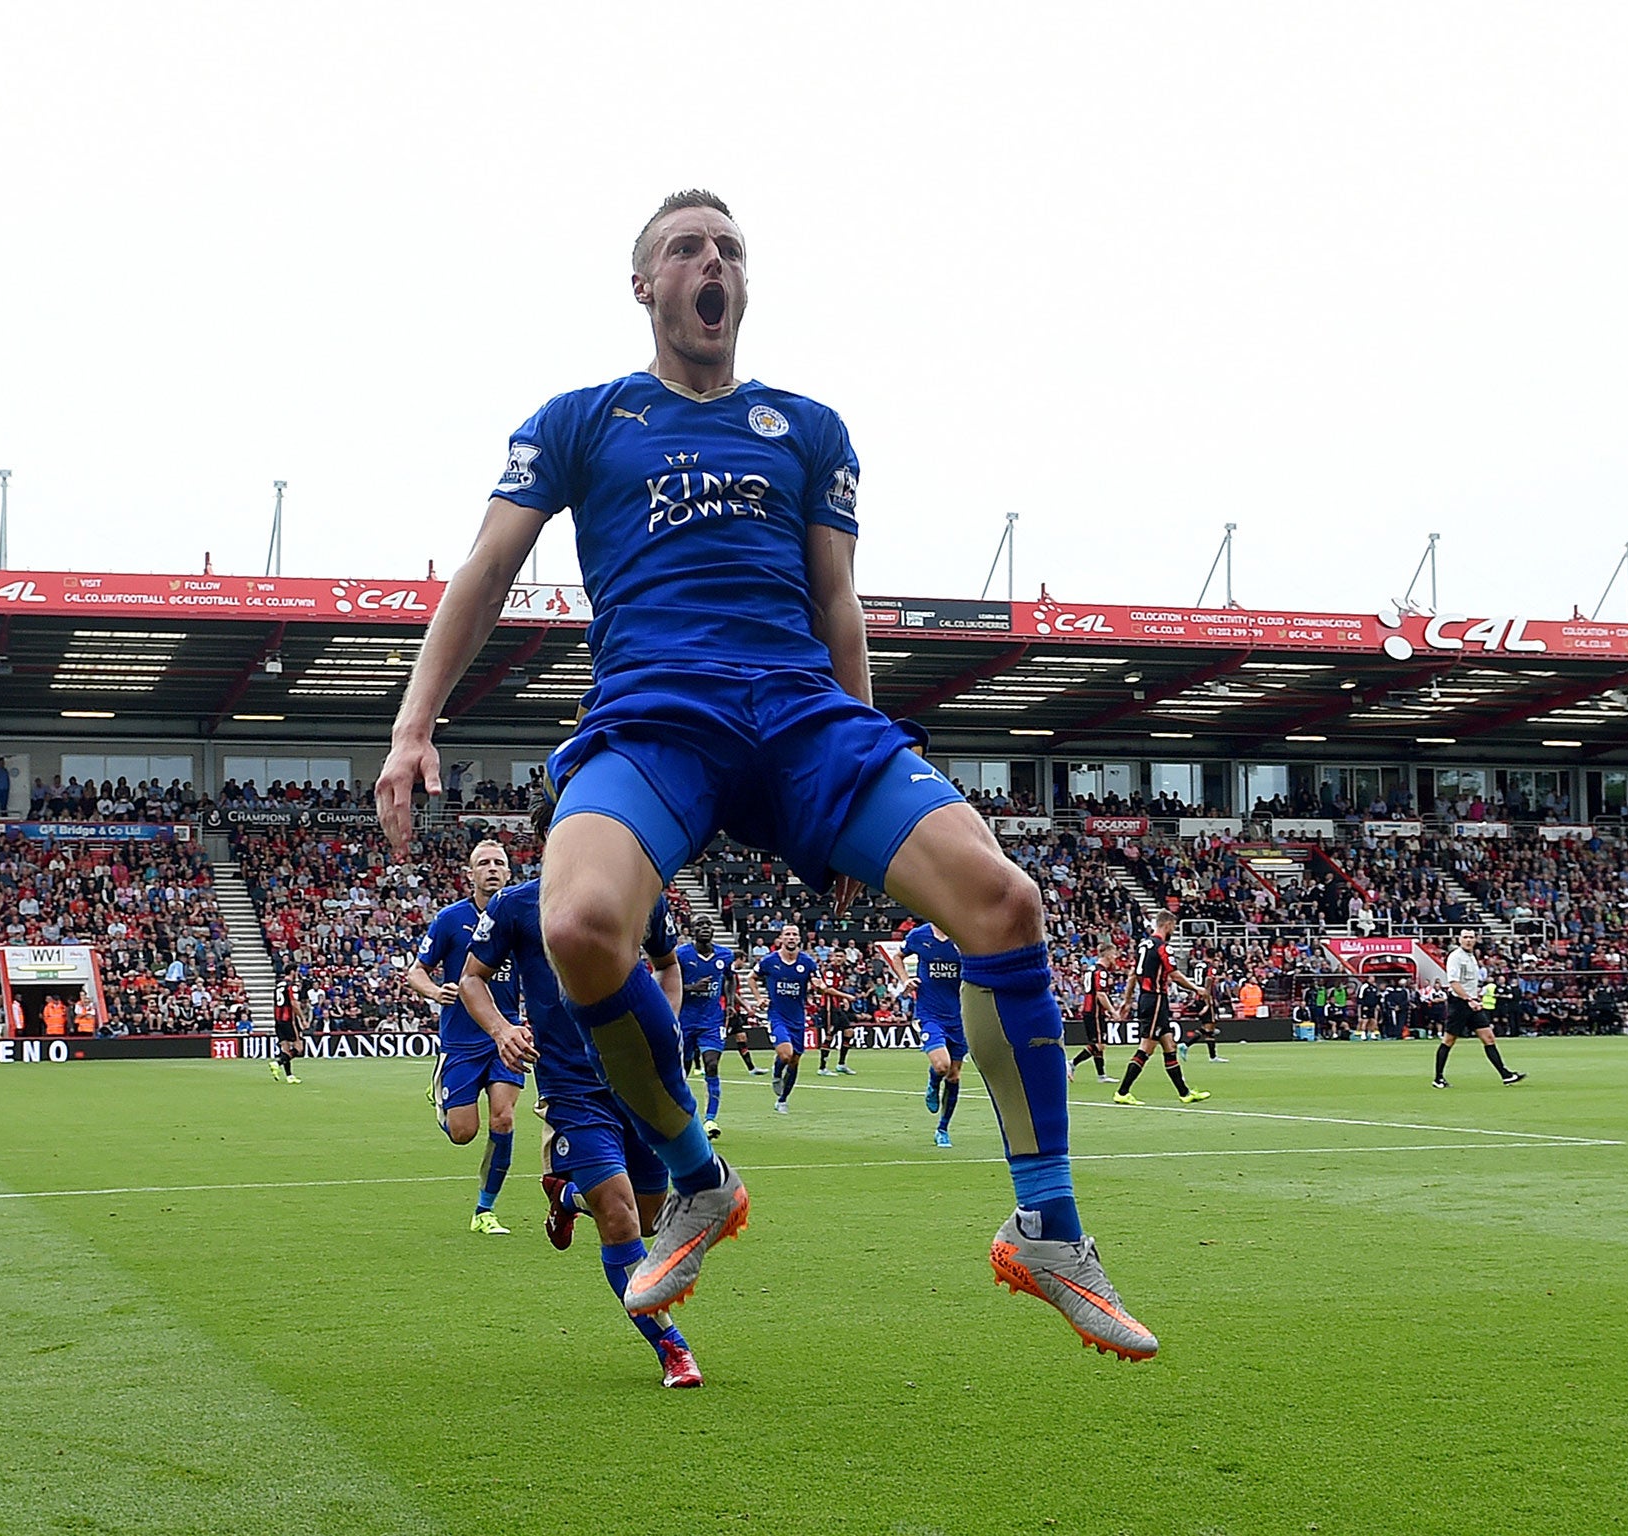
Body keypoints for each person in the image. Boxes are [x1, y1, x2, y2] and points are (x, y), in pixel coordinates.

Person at [377, 189, 1157, 1357]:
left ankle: (1046, 1226)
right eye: (685, 248)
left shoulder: (810, 430)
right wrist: (410, 725)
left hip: (801, 719)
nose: (711, 263)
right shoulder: (582, 420)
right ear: (643, 285)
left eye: (728, 249)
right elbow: (487, 567)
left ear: (745, 283)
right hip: (654, 721)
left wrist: (861, 771)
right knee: (581, 925)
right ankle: (697, 1179)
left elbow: (837, 604)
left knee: (1005, 902)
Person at [459, 816, 703, 1388]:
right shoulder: (518, 906)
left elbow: (668, 967)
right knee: (620, 1220)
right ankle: (672, 1348)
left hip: (639, 1083)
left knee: (647, 1218)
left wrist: (665, 1024)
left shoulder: (642, 895)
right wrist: (500, 1031)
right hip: (573, 1087)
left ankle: (567, 1194)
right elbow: (472, 980)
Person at [407, 841, 525, 1232]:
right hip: (460, 1039)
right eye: (483, 863)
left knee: (504, 1119)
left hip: (505, 1034)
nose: (492, 868)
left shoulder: (522, 915)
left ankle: (484, 1210)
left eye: (499, 863)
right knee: (463, 1133)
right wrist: (434, 992)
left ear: (509, 873)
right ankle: (440, 1088)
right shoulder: (449, 919)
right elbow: (417, 971)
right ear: (469, 874)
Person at [1113, 913, 1211, 1107]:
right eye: (1173, 926)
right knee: (1146, 1048)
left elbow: (1133, 975)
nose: (1173, 930)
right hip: (1155, 999)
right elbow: (1174, 974)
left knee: (1169, 1046)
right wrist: (1197, 989)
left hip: (1151, 999)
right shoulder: (1162, 947)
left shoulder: (1144, 945)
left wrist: (1127, 999)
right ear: (1167, 924)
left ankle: (1185, 1093)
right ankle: (1122, 1092)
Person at [900, 922, 966, 1148]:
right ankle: (932, 1083)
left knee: (954, 1076)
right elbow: (899, 956)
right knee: (941, 1066)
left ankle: (942, 1129)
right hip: (930, 1014)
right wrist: (905, 980)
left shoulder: (964, 934)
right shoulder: (920, 935)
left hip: (959, 1016)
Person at [1435, 929, 1525, 1088]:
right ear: (1459, 939)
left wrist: (1475, 997)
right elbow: (1454, 983)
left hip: (1472, 1002)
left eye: (1471, 937)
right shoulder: (1455, 957)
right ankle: (1438, 1078)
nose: (1468, 940)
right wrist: (1469, 999)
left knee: (1488, 1037)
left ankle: (1505, 1075)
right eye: (1465, 937)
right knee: (1449, 1040)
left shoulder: (1471, 957)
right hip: (1460, 1003)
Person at [674, 915, 734, 1139]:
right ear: (691, 931)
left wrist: (730, 1004)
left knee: (711, 1064)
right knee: (682, 1069)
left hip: (711, 1021)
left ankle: (710, 1119)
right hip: (686, 1020)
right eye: (700, 925)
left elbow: (730, 979)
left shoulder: (724, 955)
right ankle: (682, 1116)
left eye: (708, 925)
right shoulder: (681, 955)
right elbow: (669, 982)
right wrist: (692, 987)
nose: (705, 928)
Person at [755, 925, 819, 1115]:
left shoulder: (807, 962)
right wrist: (759, 998)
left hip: (798, 1017)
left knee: (795, 1061)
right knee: (785, 1055)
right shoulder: (770, 961)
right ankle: (776, 1073)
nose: (791, 937)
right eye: (788, 934)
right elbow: (752, 977)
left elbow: (818, 981)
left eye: (795, 934)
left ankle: (782, 1100)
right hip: (777, 1015)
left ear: (799, 939)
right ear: (781, 938)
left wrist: (819, 985)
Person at [1068, 941, 1120, 1083]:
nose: (1115, 957)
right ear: (1108, 955)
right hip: (1094, 1011)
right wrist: (1113, 1011)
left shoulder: (1091, 969)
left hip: (1091, 1009)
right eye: (1114, 954)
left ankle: (1101, 1075)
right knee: (1099, 1044)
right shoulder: (1100, 972)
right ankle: (1072, 1063)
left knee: (1098, 1043)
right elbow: (1100, 994)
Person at [269, 975, 303, 1084]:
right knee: (299, 1048)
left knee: (285, 1048)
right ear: (293, 972)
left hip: (278, 1020)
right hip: (288, 1019)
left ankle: (289, 1076)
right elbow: (294, 1004)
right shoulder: (291, 986)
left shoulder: (278, 986)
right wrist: (302, 1018)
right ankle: (278, 1063)